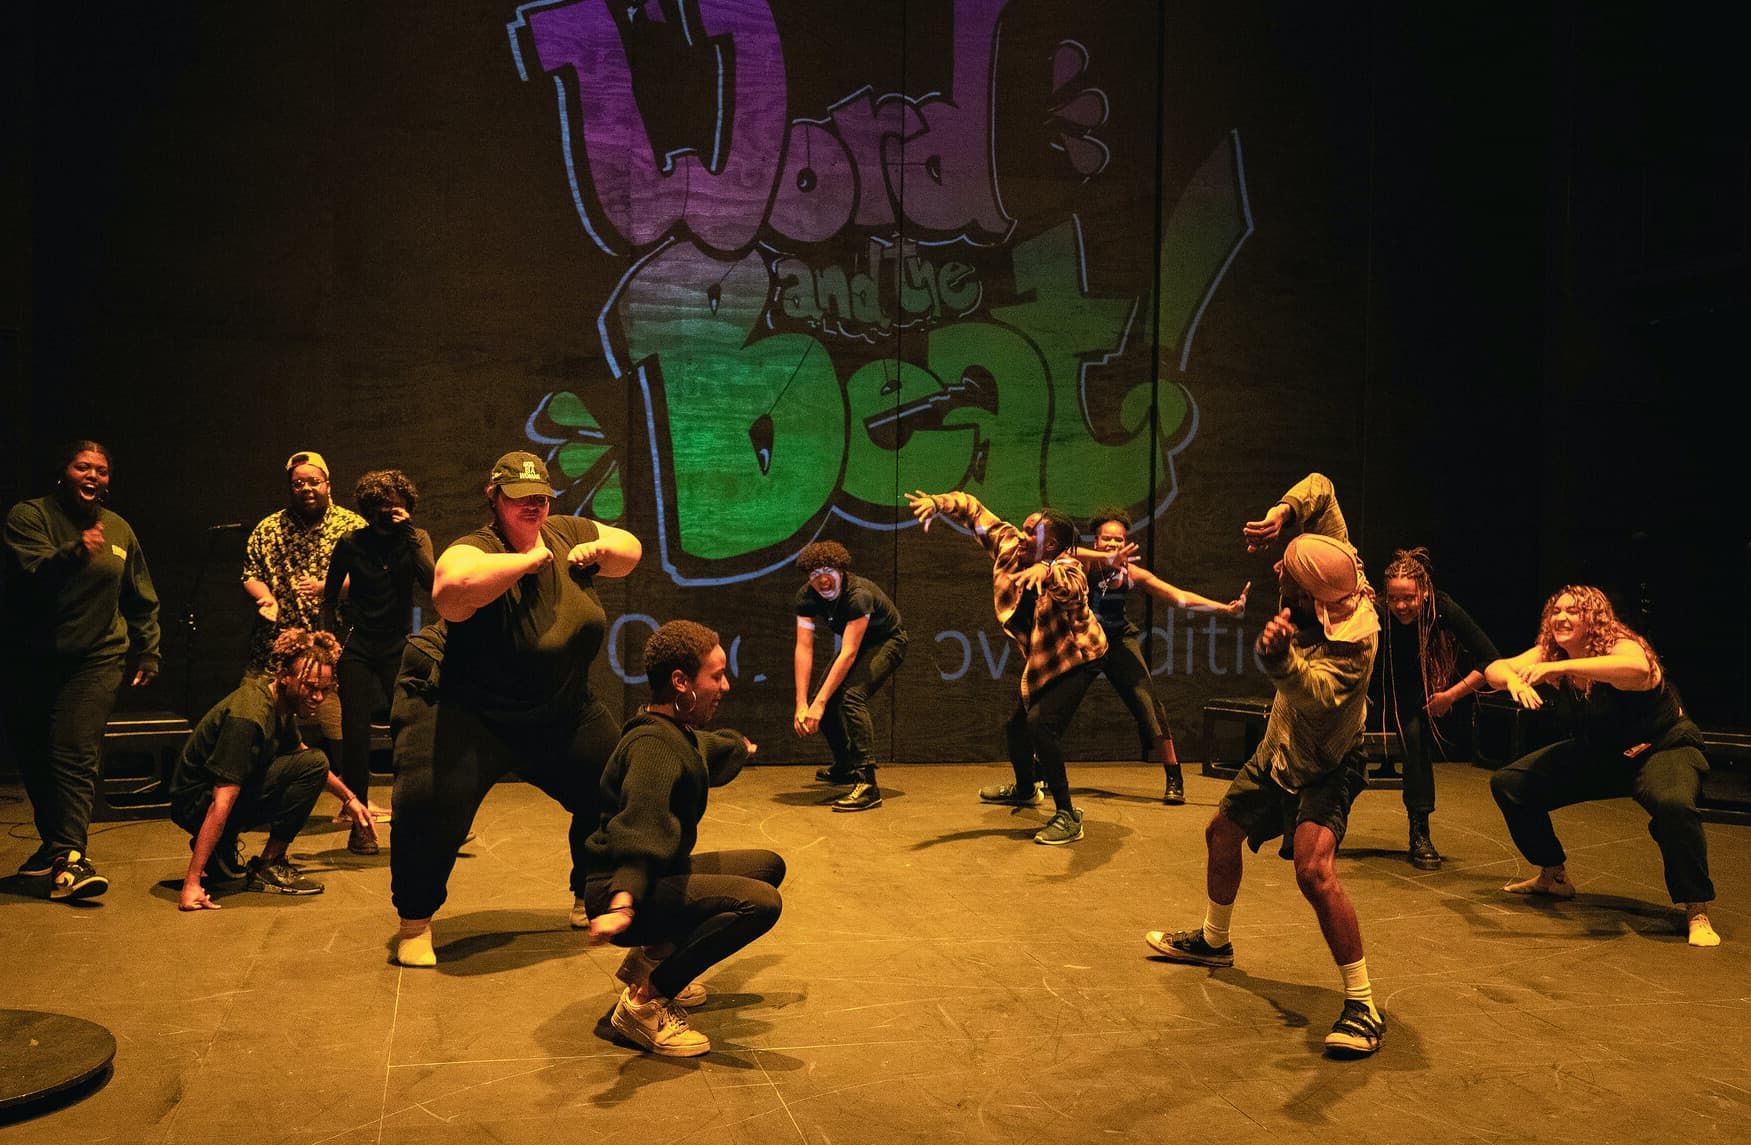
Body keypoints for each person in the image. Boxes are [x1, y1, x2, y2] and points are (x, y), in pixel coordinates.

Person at [1145, 473, 1386, 1058]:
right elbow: (1324, 487)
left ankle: (1363, 1004)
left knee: (1314, 872)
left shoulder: (1353, 644)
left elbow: (1318, 698)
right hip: (1277, 747)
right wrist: (1284, 512)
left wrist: (1280, 662)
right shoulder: (1339, 562)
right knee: (1220, 832)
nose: (1278, 569)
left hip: (1328, 762)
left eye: (1287, 573)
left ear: (1310, 598)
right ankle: (1214, 940)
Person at [390, 450, 641, 967]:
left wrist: (599, 549)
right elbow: (449, 592)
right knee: (428, 805)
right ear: (496, 498)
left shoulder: (567, 531)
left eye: (542, 498)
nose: (534, 506)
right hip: (471, 711)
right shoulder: (474, 547)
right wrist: (526, 562)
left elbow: (629, 549)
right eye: (521, 498)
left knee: (614, 786)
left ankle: (589, 892)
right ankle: (415, 922)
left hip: (560, 708)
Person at [582, 620, 781, 1057]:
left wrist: (739, 747)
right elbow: (640, 830)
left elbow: (707, 748)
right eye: (716, 676)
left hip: (654, 878)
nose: (724, 685)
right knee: (761, 904)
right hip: (620, 889)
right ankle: (645, 1001)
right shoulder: (653, 749)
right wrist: (622, 904)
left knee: (768, 866)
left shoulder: (672, 732)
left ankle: (651, 956)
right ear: (680, 681)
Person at [1485, 585, 1720, 947]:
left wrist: (1557, 666)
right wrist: (1514, 678)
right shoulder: (1550, 652)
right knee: (1511, 784)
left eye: (1573, 611)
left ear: (1593, 618)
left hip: (1661, 747)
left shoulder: (1620, 646)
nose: (1561, 617)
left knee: (1673, 805)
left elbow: (1638, 669)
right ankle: (1554, 876)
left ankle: (1696, 909)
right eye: (1556, 611)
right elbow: (1494, 670)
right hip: (1604, 753)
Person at [2, 440, 160, 900]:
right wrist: (75, 552)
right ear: (63, 472)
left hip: (98, 656)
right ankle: (54, 848)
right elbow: (33, 572)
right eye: (83, 467)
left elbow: (140, 596)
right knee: (34, 757)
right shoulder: (29, 517)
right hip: (30, 660)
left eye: (102, 470)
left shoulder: (117, 528)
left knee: (73, 751)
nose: (94, 476)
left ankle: (71, 857)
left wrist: (148, 650)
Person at [906, 490, 1107, 846]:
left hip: (1080, 657)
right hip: (1044, 662)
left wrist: (1045, 574)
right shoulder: (1012, 547)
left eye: (1034, 533)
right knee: (1016, 729)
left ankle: (1068, 816)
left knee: (1040, 726)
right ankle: (1027, 791)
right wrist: (938, 503)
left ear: (1053, 545)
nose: (1024, 535)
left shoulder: (1068, 567)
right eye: (1026, 528)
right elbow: (973, 509)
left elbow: (1072, 587)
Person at [170, 627, 374, 909]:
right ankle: (268, 863)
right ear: (284, 676)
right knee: (315, 762)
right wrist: (192, 882)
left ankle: (222, 847)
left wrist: (349, 799)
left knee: (312, 763)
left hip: (209, 797)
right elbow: (222, 799)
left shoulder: (280, 704)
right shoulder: (250, 715)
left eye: (324, 690)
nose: (317, 697)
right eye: (310, 687)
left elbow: (301, 757)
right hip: (196, 803)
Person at [1080, 507, 1248, 804]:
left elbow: (1178, 596)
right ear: (1096, 542)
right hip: (1083, 639)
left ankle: (1174, 776)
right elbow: (1062, 554)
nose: (1114, 545)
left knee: (1148, 703)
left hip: (1118, 640)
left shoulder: (1132, 573)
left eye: (1119, 541)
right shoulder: (1081, 564)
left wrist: (1226, 609)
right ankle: (1037, 771)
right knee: (1055, 699)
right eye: (1107, 539)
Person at [321, 468, 434, 853]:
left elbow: (433, 583)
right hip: (357, 644)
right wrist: (329, 643)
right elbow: (329, 596)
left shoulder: (416, 539)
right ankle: (359, 824)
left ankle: (414, 814)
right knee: (355, 733)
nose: (389, 512)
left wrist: (408, 533)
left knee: (408, 728)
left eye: (396, 506)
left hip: (396, 644)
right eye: (382, 506)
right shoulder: (351, 543)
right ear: (368, 509)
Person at [1375, 547, 1500, 869]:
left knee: (1415, 740)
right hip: (1373, 691)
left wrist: (1450, 696)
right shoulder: (1372, 609)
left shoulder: (1442, 607)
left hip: (1417, 693)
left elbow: (1490, 660)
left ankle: (1420, 831)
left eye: (1409, 598)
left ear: (1425, 592)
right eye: (1393, 599)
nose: (1400, 606)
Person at [241, 450, 366, 769]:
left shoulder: (352, 526)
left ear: (328, 484)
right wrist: (265, 597)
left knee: (338, 718)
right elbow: (251, 573)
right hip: (276, 641)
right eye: (299, 483)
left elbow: (374, 573)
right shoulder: (269, 528)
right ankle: (255, 789)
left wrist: (330, 587)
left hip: (332, 642)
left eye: (314, 481)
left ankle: (348, 797)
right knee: (253, 710)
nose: (307, 488)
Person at [792, 541, 908, 812]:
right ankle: (844, 765)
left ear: (841, 570)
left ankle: (868, 784)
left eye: (828, 570)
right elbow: (804, 647)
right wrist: (802, 702)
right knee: (825, 699)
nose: (822, 579)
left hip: (888, 641)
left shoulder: (858, 595)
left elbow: (849, 653)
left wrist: (818, 703)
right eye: (814, 574)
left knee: (850, 697)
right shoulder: (806, 598)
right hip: (857, 645)